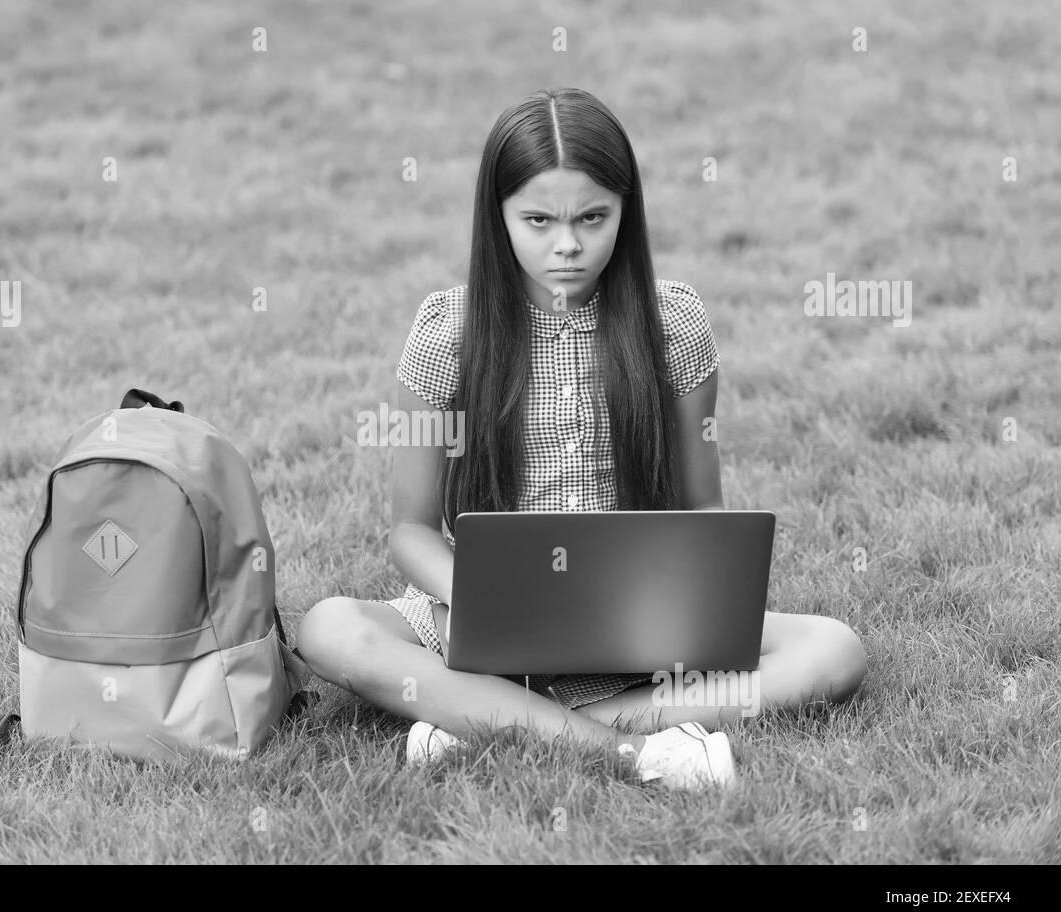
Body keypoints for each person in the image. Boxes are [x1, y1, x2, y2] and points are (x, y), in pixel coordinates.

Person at [295, 87, 867, 789]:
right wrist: (483, 602)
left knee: (833, 649)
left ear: (626, 213)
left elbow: (702, 506)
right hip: (479, 617)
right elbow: (410, 530)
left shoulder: (675, 328)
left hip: (635, 622)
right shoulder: (446, 335)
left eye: (593, 218)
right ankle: (633, 745)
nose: (566, 244)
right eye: (537, 219)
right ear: (496, 215)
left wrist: (689, 602)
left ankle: (487, 720)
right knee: (329, 627)